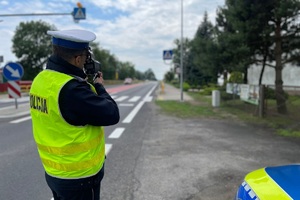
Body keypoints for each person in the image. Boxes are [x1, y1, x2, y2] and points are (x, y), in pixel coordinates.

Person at [29, 29, 120, 200]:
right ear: (78, 59)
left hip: (54, 171)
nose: (87, 62)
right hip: (79, 176)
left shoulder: (40, 80)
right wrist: (99, 86)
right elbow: (112, 114)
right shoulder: (72, 90)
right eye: (86, 58)